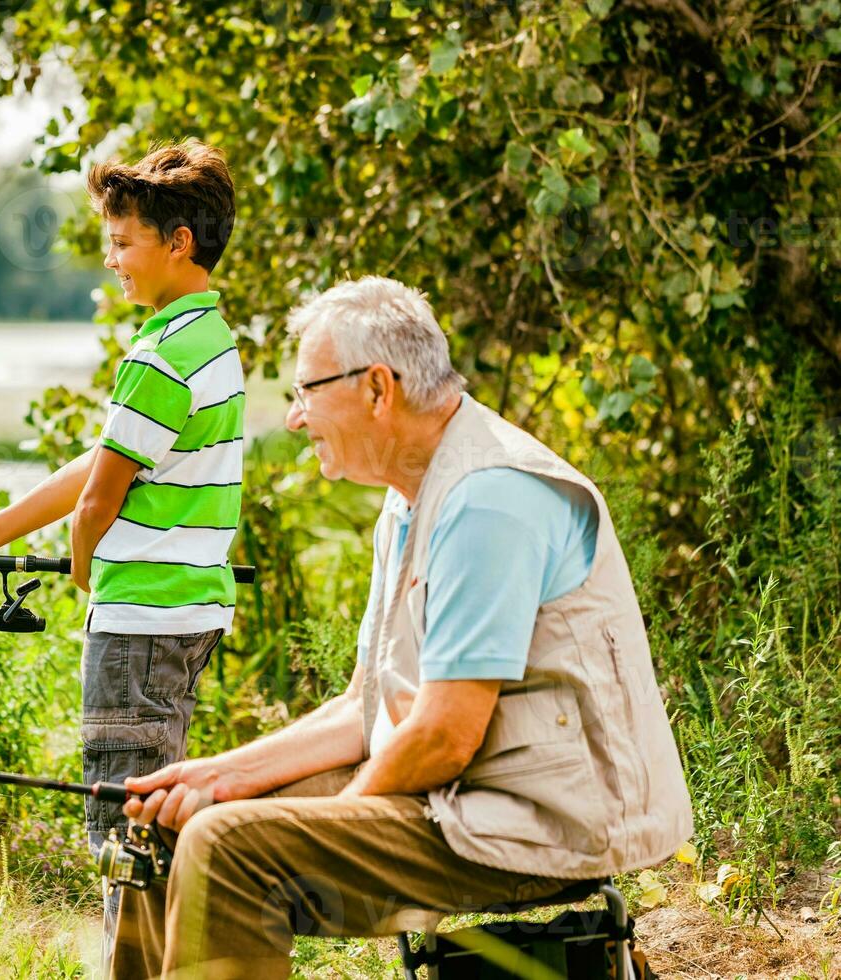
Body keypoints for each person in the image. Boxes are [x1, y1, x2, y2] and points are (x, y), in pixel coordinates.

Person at [111, 276, 693, 979]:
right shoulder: (412, 496)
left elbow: (445, 735)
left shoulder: (490, 501)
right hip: (459, 800)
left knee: (234, 847)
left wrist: (324, 829)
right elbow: (367, 709)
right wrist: (217, 775)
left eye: (306, 391)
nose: (295, 418)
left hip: (537, 825)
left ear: (377, 389)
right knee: (167, 828)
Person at [0, 140, 243, 958]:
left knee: (123, 833)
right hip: (186, 616)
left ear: (179, 243)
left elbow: (97, 501)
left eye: (124, 242)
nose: (112, 260)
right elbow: (102, 464)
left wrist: (83, 573)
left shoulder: (160, 354)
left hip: (137, 624)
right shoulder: (211, 342)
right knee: (153, 815)